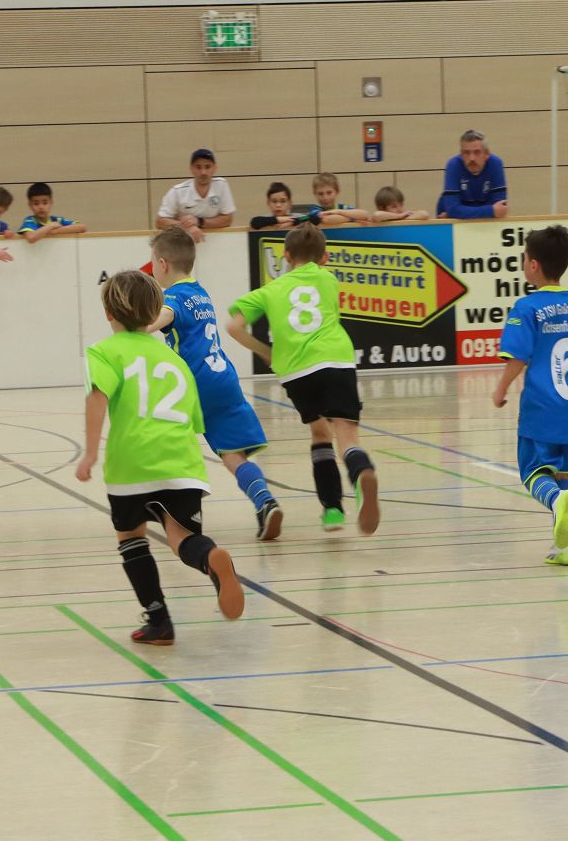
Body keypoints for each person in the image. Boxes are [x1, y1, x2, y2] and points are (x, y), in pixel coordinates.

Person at [75, 269, 245, 646]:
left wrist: (89, 453)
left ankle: (159, 621)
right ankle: (209, 557)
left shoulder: (105, 352)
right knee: (182, 537)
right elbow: (195, 420)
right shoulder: (175, 360)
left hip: (132, 463)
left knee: (131, 536)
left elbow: (97, 397)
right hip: (182, 463)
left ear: (109, 314)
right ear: (155, 313)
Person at [226, 223, 381, 534]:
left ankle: (332, 510)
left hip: (297, 371)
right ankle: (361, 472)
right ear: (324, 258)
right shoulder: (329, 279)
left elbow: (233, 327)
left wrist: (266, 352)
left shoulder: (270, 290)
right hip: (335, 359)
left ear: (286, 256)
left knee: (319, 433)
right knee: (347, 437)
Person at [150, 226, 282, 539]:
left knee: (159, 440)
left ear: (163, 264)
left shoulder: (173, 297)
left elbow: (162, 318)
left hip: (193, 385)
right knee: (232, 453)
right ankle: (264, 501)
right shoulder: (200, 293)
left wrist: (135, 326)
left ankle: (177, 509)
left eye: (152, 262)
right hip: (223, 379)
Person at [492, 225, 568, 566]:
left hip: (543, 408)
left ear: (533, 265)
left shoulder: (526, 308)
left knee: (533, 472)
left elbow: (517, 356)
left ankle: (556, 502)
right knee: (564, 472)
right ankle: (566, 547)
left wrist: (500, 388)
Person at [156, 148, 235, 241]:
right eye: (198, 167)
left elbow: (228, 219)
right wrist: (186, 227)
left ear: (215, 168)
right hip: (182, 243)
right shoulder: (177, 191)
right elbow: (160, 222)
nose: (203, 172)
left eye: (207, 167)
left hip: (216, 242)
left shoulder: (222, 185)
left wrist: (199, 222)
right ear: (191, 169)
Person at [436, 129, 508, 219]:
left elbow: (500, 208)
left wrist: (460, 213)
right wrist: (490, 211)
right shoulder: (453, 165)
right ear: (461, 154)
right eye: (466, 153)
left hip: (479, 222)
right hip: (449, 223)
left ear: (487, 154)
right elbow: (453, 209)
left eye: (477, 152)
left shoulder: (495, 163)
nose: (472, 158)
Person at [18, 183, 86, 242]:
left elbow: (82, 227)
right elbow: (31, 238)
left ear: (51, 203)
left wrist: (55, 231)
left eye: (45, 203)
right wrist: (50, 226)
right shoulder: (30, 220)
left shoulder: (57, 220)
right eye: (36, 204)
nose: (41, 207)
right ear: (30, 205)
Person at [364, 184, 432, 223]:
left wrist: (402, 219)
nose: (400, 210)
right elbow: (377, 215)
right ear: (381, 208)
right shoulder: (376, 219)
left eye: (401, 205)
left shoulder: (402, 216)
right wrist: (399, 216)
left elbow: (424, 214)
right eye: (394, 206)